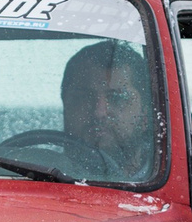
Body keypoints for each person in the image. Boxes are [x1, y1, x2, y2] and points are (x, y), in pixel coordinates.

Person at [60, 40, 154, 174]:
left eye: (117, 98)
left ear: (145, 114)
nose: (99, 112)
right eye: (84, 98)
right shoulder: (32, 177)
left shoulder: (180, 183)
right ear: (65, 108)